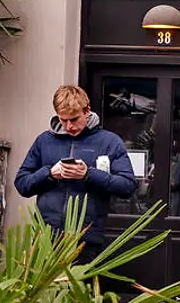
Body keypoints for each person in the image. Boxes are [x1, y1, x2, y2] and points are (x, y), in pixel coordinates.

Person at [14, 85, 136, 263]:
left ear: (87, 110)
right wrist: (49, 173)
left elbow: (127, 185)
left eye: (74, 119)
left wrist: (88, 174)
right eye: (63, 120)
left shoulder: (109, 142)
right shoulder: (44, 141)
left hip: (86, 238)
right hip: (47, 236)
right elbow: (22, 184)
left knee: (80, 290)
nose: (69, 126)